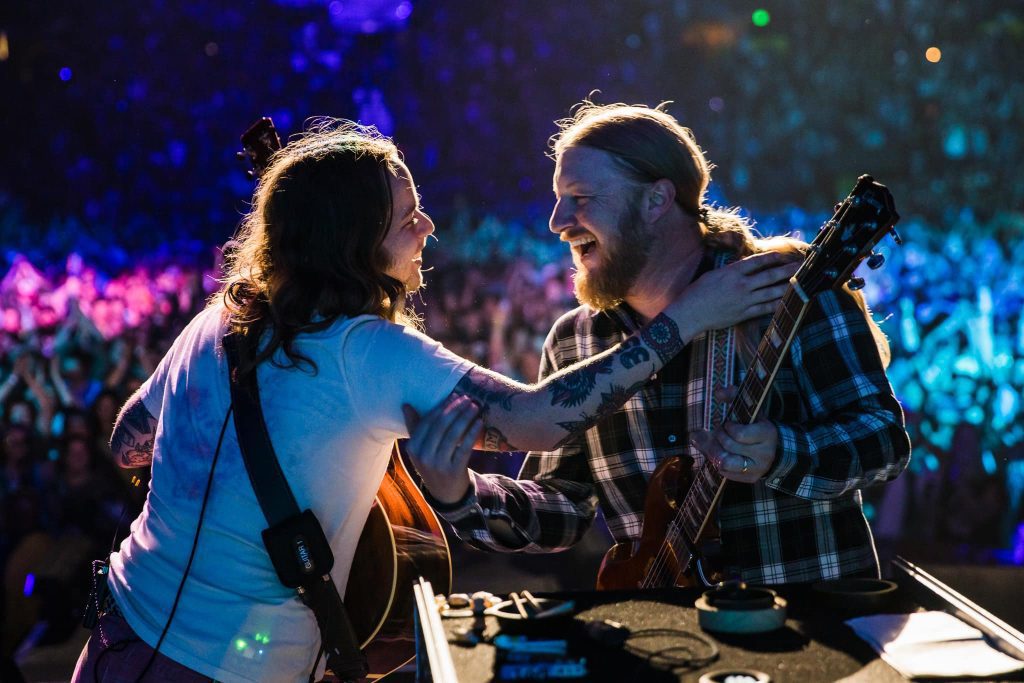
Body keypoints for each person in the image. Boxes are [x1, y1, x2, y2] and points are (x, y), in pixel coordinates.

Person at [70, 119, 794, 683]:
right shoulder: (367, 351)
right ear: (356, 243)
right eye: (408, 215)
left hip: (118, 631)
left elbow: (131, 439)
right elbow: (539, 418)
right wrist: (688, 317)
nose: (428, 228)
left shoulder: (219, 320)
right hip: (231, 665)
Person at [407, 101, 912, 585]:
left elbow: (884, 441)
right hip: (672, 642)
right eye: (558, 200)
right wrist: (464, 495)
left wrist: (783, 452)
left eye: (580, 198)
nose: (557, 223)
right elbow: (563, 506)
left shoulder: (785, 292)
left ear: (656, 200)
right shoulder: (576, 340)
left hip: (810, 628)